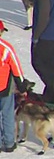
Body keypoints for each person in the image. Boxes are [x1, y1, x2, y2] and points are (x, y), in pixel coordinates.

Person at [0, 20, 28, 152]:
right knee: (7, 114)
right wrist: (22, 87)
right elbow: (16, 68)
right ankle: (9, 142)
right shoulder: (6, 47)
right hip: (4, 87)